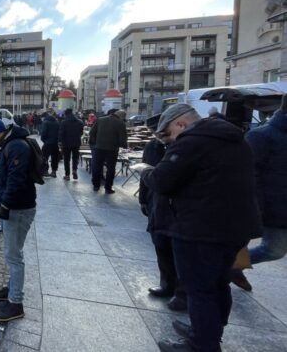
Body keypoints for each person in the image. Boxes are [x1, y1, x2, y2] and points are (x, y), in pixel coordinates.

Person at [140, 104, 260, 352]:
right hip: (235, 226)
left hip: (201, 228)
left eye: (168, 134)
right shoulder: (234, 139)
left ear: (181, 124)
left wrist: (146, 171)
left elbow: (162, 180)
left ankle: (201, 344)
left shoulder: (192, 142)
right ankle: (207, 330)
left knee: (199, 289)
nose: (169, 141)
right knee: (217, 284)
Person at [0, 117, 36, 322]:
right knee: (12, 254)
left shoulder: (17, 147)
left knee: (14, 257)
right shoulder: (8, 144)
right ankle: (12, 289)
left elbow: (16, 180)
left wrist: (5, 205)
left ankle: (15, 304)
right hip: (14, 207)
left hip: (17, 209)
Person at [233, 96, 287, 290]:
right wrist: (256, 207)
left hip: (277, 209)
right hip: (270, 208)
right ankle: (229, 267)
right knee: (273, 250)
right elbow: (246, 174)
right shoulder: (262, 136)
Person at [138, 114, 187, 312]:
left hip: (180, 207)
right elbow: (146, 173)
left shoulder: (185, 148)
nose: (158, 135)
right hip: (156, 201)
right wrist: (143, 199)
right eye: (155, 132)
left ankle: (183, 293)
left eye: (162, 132)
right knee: (161, 246)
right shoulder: (152, 147)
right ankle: (167, 284)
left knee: (181, 253)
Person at [89, 110, 127, 194]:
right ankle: (108, 188)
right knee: (111, 169)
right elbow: (122, 140)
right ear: (122, 117)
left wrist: (96, 142)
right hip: (112, 150)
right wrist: (122, 145)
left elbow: (92, 133)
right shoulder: (120, 124)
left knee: (97, 166)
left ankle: (96, 185)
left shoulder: (100, 120)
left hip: (99, 148)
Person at [58, 108, 84, 181]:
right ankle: (74, 170)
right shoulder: (80, 121)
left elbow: (61, 133)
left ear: (66, 114)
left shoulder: (64, 122)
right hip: (76, 143)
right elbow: (81, 133)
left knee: (66, 159)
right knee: (75, 158)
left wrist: (59, 141)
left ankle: (67, 175)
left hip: (66, 144)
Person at [40, 112, 60, 178]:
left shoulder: (45, 122)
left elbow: (43, 133)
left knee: (45, 157)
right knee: (55, 158)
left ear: (44, 117)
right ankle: (54, 172)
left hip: (47, 143)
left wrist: (44, 140)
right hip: (55, 143)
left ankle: (45, 171)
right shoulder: (57, 122)